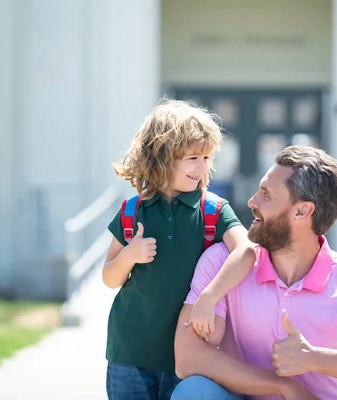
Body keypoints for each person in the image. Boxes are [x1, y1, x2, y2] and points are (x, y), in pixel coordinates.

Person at [173, 146, 337, 399]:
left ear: (302, 211)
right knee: (194, 392)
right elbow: (188, 357)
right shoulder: (224, 263)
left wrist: (314, 358)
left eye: (266, 195)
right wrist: (283, 386)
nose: (252, 201)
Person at [101, 99, 255, 400]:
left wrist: (209, 298)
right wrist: (130, 255)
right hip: (128, 354)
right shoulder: (132, 211)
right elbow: (109, 278)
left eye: (207, 157)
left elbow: (246, 252)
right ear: (161, 158)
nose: (202, 166)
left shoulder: (214, 210)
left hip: (187, 358)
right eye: (193, 157)